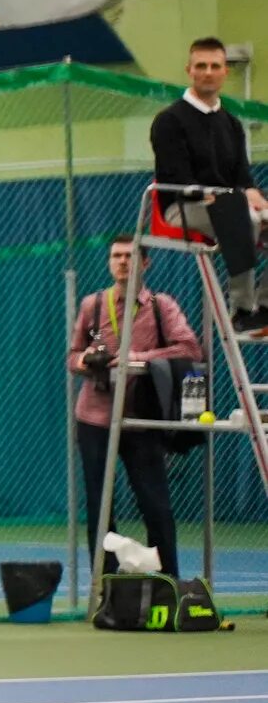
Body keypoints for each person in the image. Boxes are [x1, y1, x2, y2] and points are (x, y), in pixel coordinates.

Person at [69, 234, 203, 579]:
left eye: (130, 256)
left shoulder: (162, 306)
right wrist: (86, 360)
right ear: (109, 263)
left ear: (145, 263)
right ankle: (106, 584)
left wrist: (136, 358)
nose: (122, 262)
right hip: (95, 418)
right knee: (100, 506)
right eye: (116, 256)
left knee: (155, 504)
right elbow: (72, 356)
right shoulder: (92, 305)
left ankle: (168, 581)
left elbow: (189, 349)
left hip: (141, 420)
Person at [152, 37, 268, 334]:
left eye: (215, 66)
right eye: (201, 66)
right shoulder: (169, 121)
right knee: (239, 213)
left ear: (225, 72)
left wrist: (255, 196)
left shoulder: (231, 124)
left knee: (250, 210)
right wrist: (221, 198)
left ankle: (264, 307)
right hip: (183, 207)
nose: (208, 72)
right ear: (189, 70)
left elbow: (242, 176)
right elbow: (175, 177)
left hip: (228, 203)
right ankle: (242, 310)